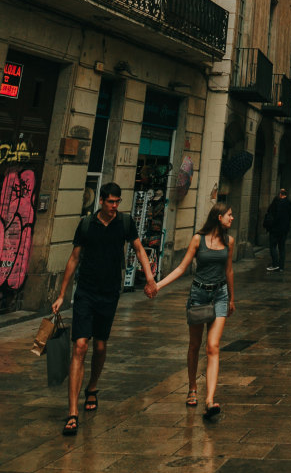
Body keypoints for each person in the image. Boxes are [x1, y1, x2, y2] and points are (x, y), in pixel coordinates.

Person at [52, 181, 157, 437]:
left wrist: (150, 277)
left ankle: (93, 386)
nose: (114, 207)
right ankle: (72, 414)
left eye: (117, 202)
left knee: (99, 345)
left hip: (109, 293)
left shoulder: (124, 223)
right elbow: (74, 258)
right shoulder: (87, 224)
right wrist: (62, 294)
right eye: (110, 202)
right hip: (86, 292)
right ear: (101, 201)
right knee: (80, 346)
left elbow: (139, 249)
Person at [155, 202, 235, 419]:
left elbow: (229, 270)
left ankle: (210, 400)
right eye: (229, 214)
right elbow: (182, 268)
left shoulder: (229, 242)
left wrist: (231, 299)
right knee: (194, 345)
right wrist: (158, 285)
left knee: (213, 346)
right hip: (199, 295)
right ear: (219, 217)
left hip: (220, 295)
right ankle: (192, 387)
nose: (232, 218)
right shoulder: (198, 239)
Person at [264, 188, 291, 271]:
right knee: (282, 248)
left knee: (273, 246)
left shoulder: (277, 202)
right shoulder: (289, 203)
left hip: (275, 229)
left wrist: (271, 226)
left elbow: (273, 215)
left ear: (280, 194)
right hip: (284, 230)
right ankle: (281, 266)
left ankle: (275, 264)